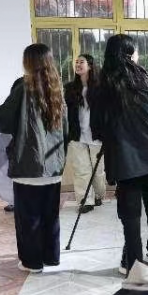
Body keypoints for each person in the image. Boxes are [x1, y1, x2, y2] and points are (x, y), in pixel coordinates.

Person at [0, 43, 69, 273]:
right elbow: (66, 129)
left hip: (28, 165)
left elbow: (2, 121)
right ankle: (51, 257)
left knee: (28, 217)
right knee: (50, 216)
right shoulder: (57, 88)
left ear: (28, 62)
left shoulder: (24, 87)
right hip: (53, 166)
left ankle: (32, 262)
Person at [90, 34, 148, 272]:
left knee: (130, 215)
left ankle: (133, 264)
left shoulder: (102, 87)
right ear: (129, 54)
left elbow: (97, 129)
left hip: (125, 160)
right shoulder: (146, 78)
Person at [64, 54, 107, 213]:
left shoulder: (101, 87)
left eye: (81, 62)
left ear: (90, 65)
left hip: (97, 135)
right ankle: (85, 201)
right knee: (81, 170)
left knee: (97, 171)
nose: (78, 64)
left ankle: (99, 195)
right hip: (77, 135)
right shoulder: (70, 88)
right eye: (76, 62)